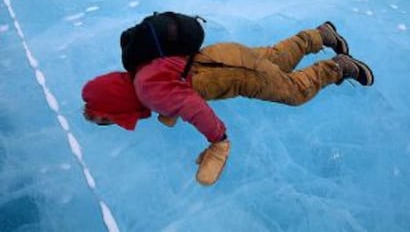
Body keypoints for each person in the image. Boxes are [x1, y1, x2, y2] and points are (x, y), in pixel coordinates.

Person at [82, 22, 374, 186]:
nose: (114, 123)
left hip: (238, 74)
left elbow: (195, 108)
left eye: (109, 118)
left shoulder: (148, 92)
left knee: (294, 91)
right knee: (278, 58)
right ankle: (320, 35)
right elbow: (173, 86)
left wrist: (218, 141)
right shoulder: (139, 74)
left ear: (117, 106)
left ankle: (337, 67)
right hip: (224, 54)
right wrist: (167, 108)